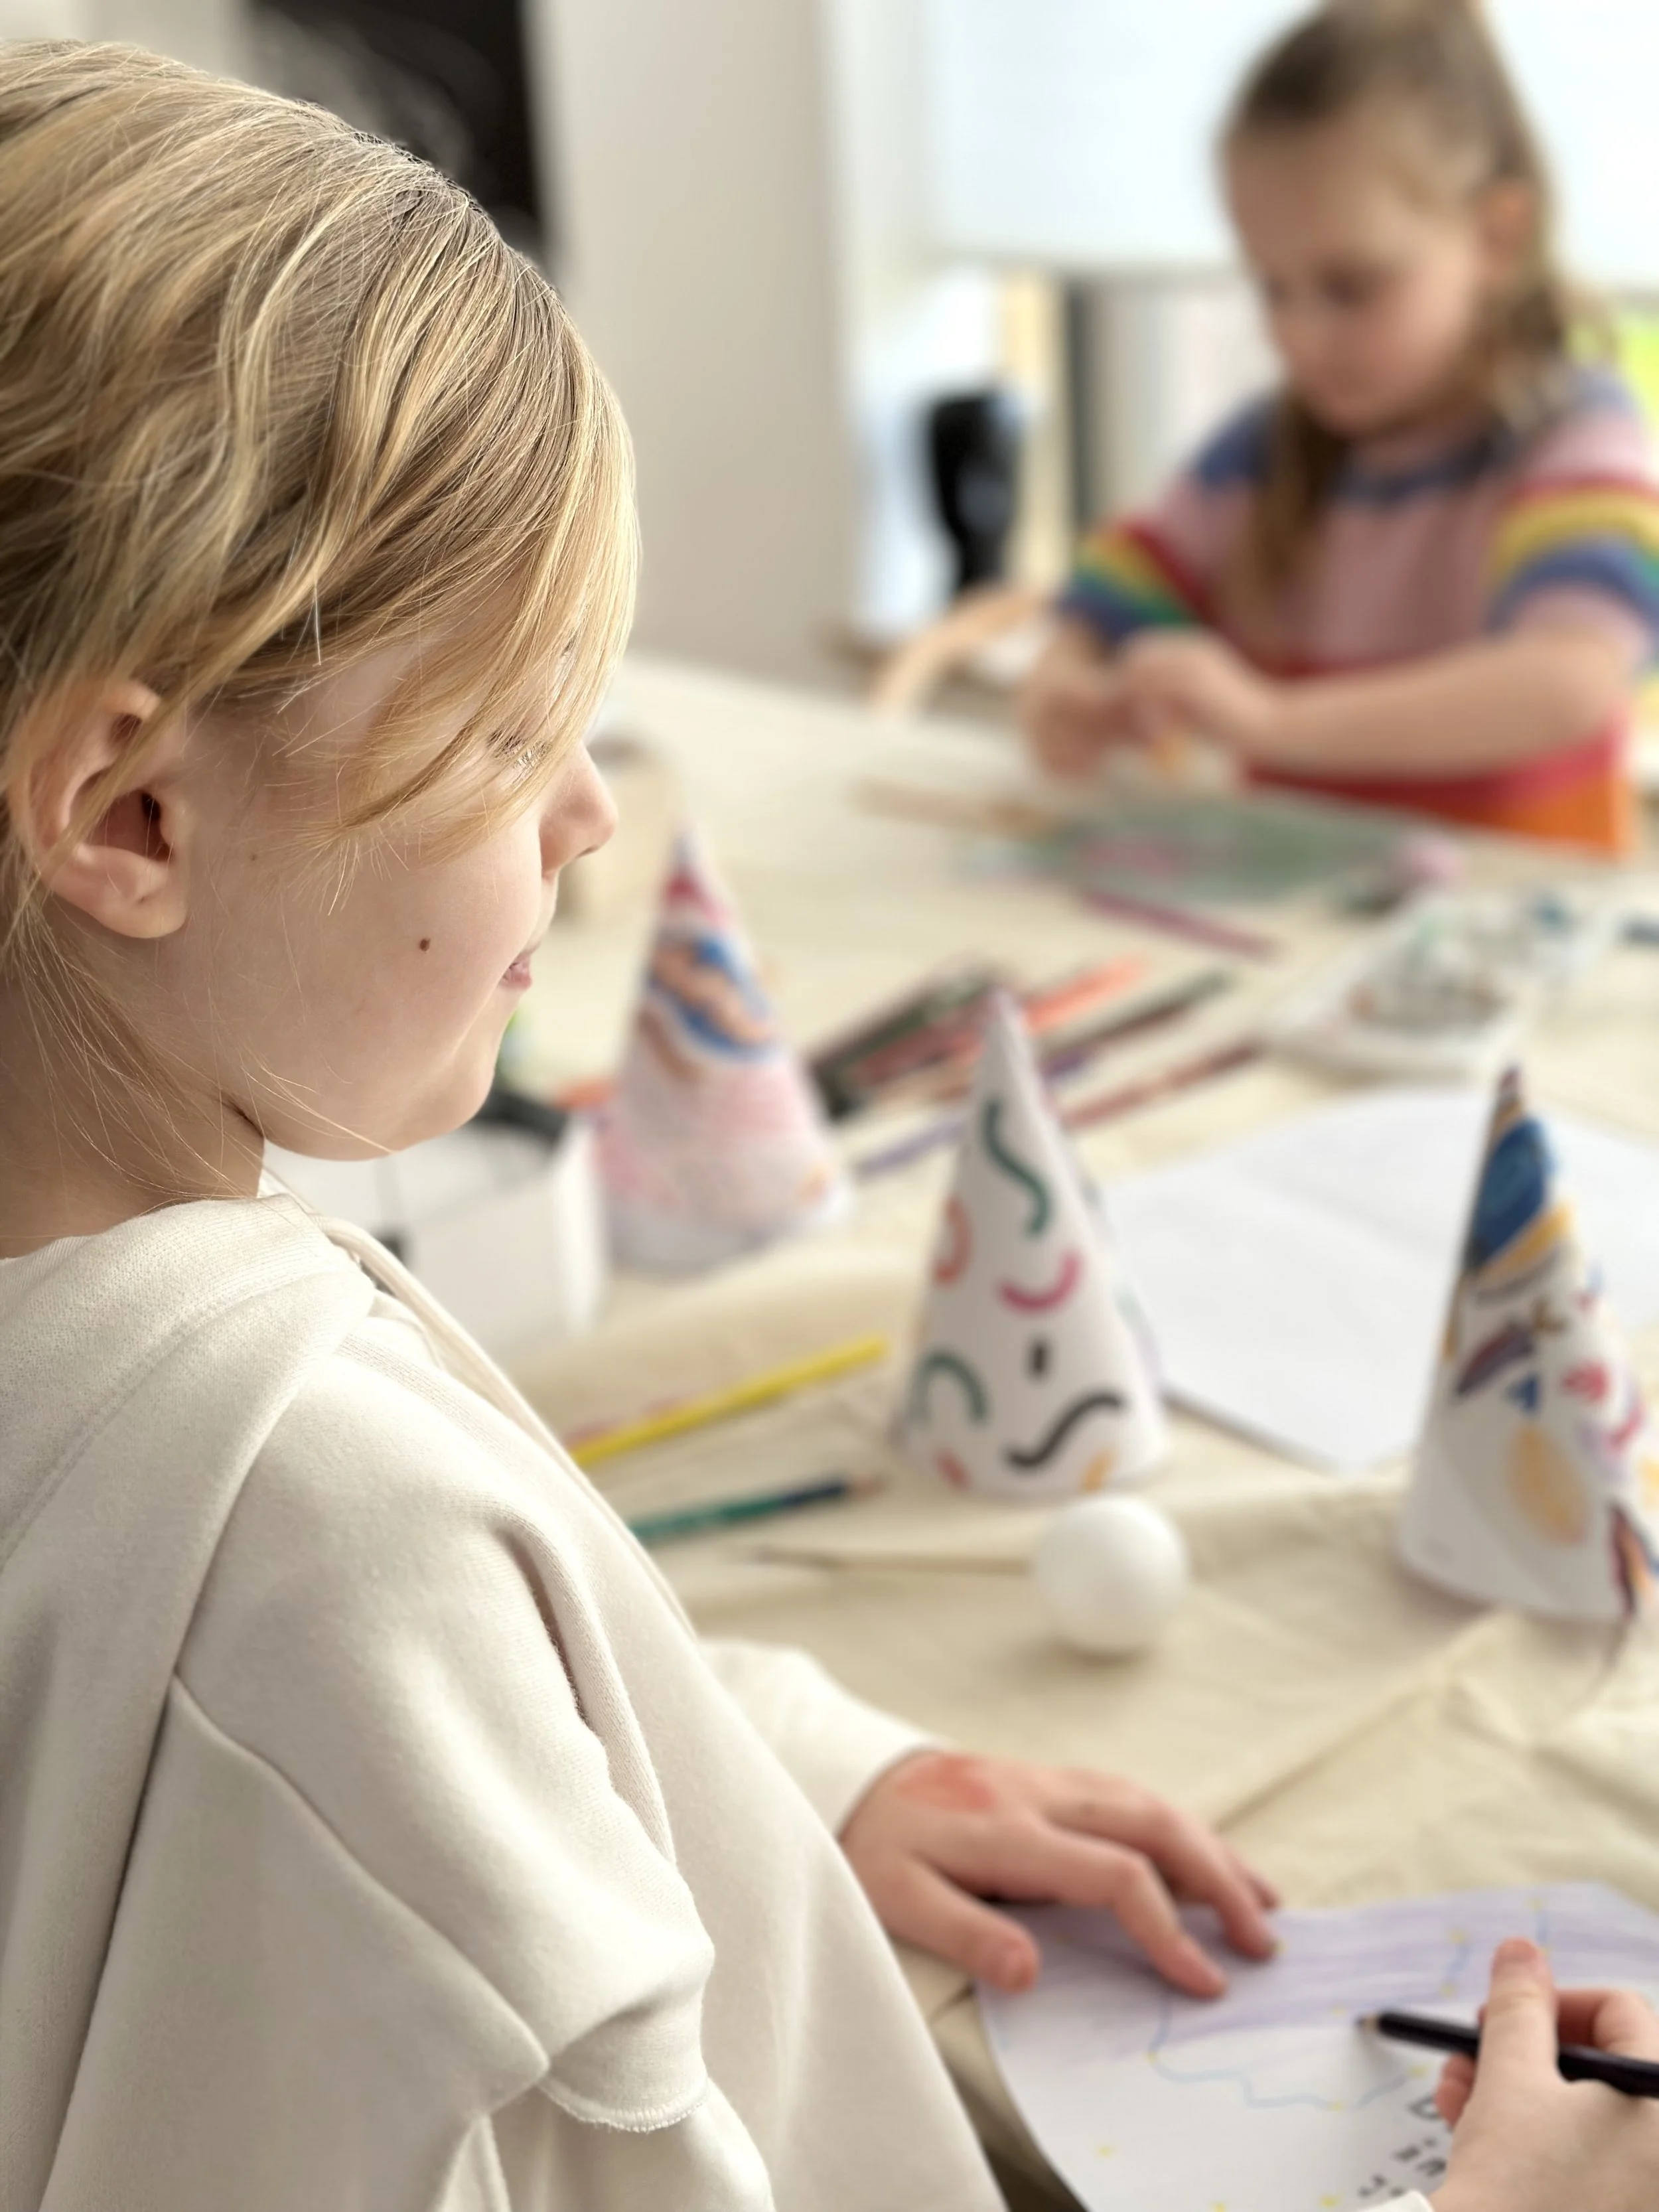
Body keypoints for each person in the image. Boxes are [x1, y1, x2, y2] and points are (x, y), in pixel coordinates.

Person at [0, 38, 1653, 2212]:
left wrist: (750, 1770)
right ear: (131, 816)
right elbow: (325, 1727)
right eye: (512, 737)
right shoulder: (317, 1536)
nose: (591, 814)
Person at [1021, 0, 1659, 853]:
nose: (1299, 336)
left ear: (1496, 238)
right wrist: (1061, 681)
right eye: (1271, 288)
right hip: (1291, 916)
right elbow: (1109, 600)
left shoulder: (1570, 438)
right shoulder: (1261, 454)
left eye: (1351, 288)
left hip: (1505, 914)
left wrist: (1271, 721)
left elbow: (1570, 682)